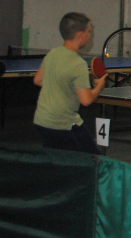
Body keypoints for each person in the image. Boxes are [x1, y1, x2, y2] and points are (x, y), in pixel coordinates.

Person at [32, 12, 108, 153]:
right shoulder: (78, 64)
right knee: (91, 158)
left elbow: (38, 80)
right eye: (88, 31)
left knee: (56, 157)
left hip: (42, 119)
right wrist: (99, 86)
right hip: (61, 123)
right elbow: (86, 100)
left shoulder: (52, 53)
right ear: (80, 35)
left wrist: (68, 87)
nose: (90, 35)